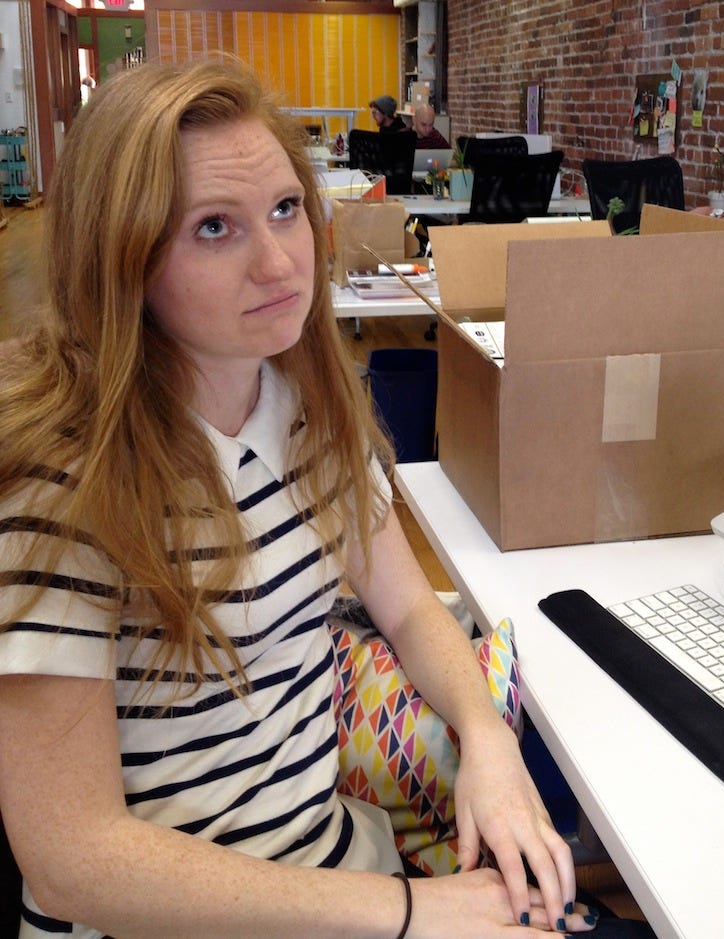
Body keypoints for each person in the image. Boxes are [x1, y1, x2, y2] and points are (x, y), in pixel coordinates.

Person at [0, 60, 612, 939]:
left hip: (336, 873)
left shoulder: (308, 408)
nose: (280, 262)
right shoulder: (64, 482)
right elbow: (72, 857)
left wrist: (487, 738)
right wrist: (412, 912)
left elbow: (409, 610)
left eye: (286, 209)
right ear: (122, 260)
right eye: (215, 227)